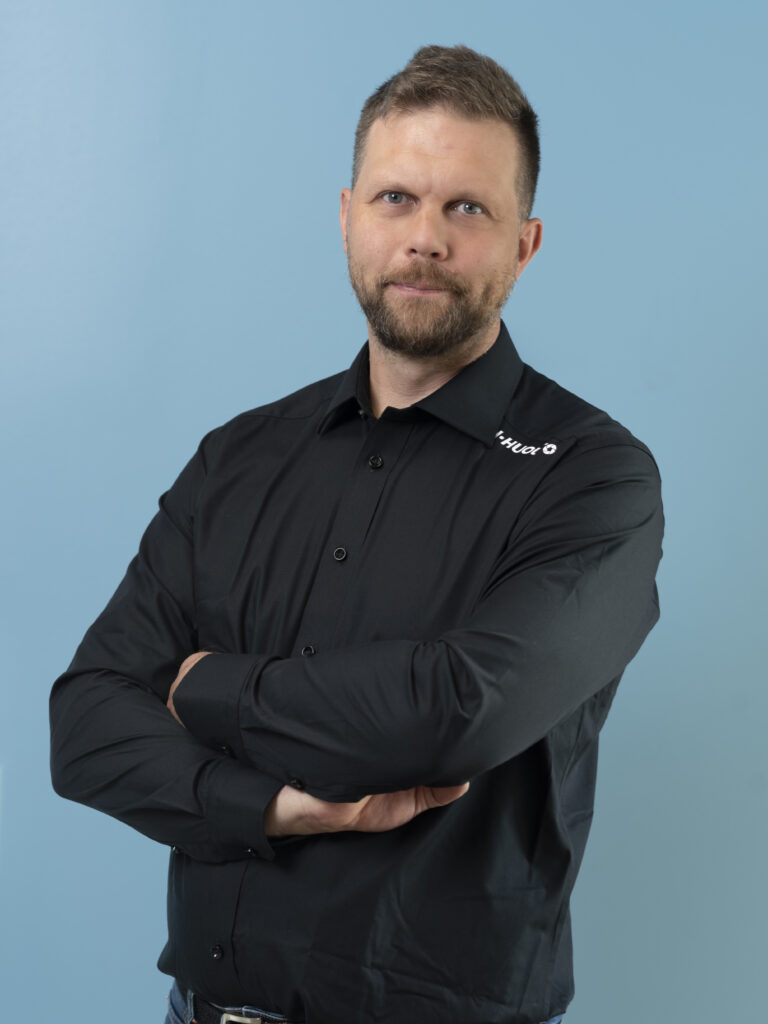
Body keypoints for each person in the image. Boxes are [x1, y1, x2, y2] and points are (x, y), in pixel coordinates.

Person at [50, 44, 663, 1024]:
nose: (425, 239)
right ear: (347, 216)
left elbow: (455, 710)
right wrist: (271, 807)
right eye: (395, 199)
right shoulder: (239, 457)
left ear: (525, 243)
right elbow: (86, 723)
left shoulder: (592, 477)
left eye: (468, 208)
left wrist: (204, 688)